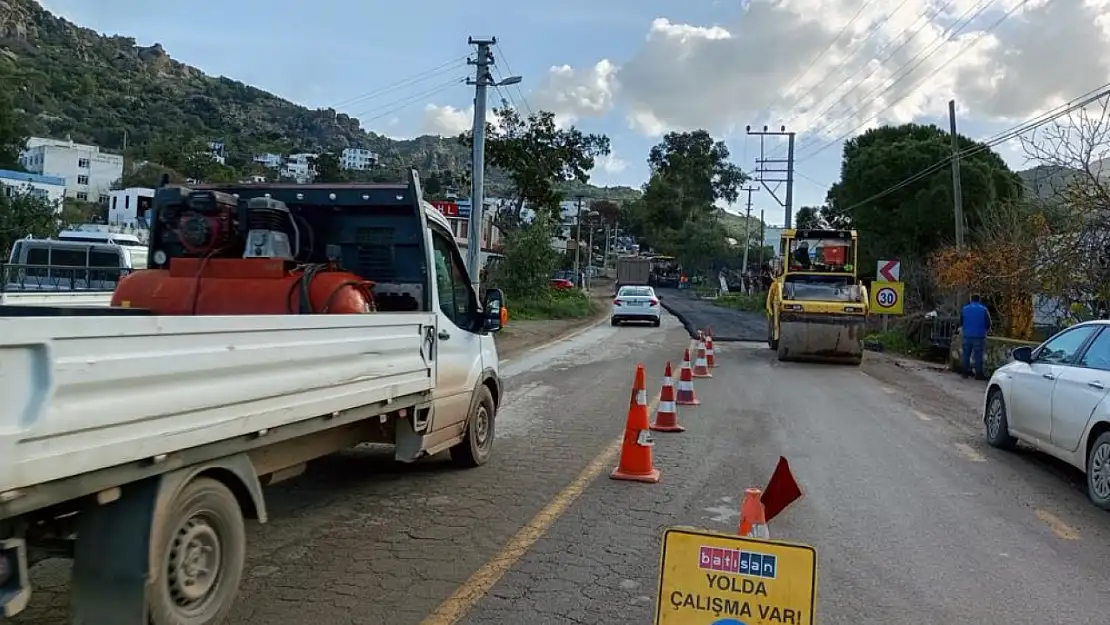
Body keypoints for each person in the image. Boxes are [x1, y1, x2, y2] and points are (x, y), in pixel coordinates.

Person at [960, 294, 992, 380]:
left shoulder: (965, 309)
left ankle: (964, 373)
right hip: (979, 336)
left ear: (970, 299)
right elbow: (988, 323)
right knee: (978, 356)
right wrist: (985, 330)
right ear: (979, 300)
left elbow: (961, 322)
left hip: (967, 335)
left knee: (966, 355)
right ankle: (978, 374)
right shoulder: (984, 309)